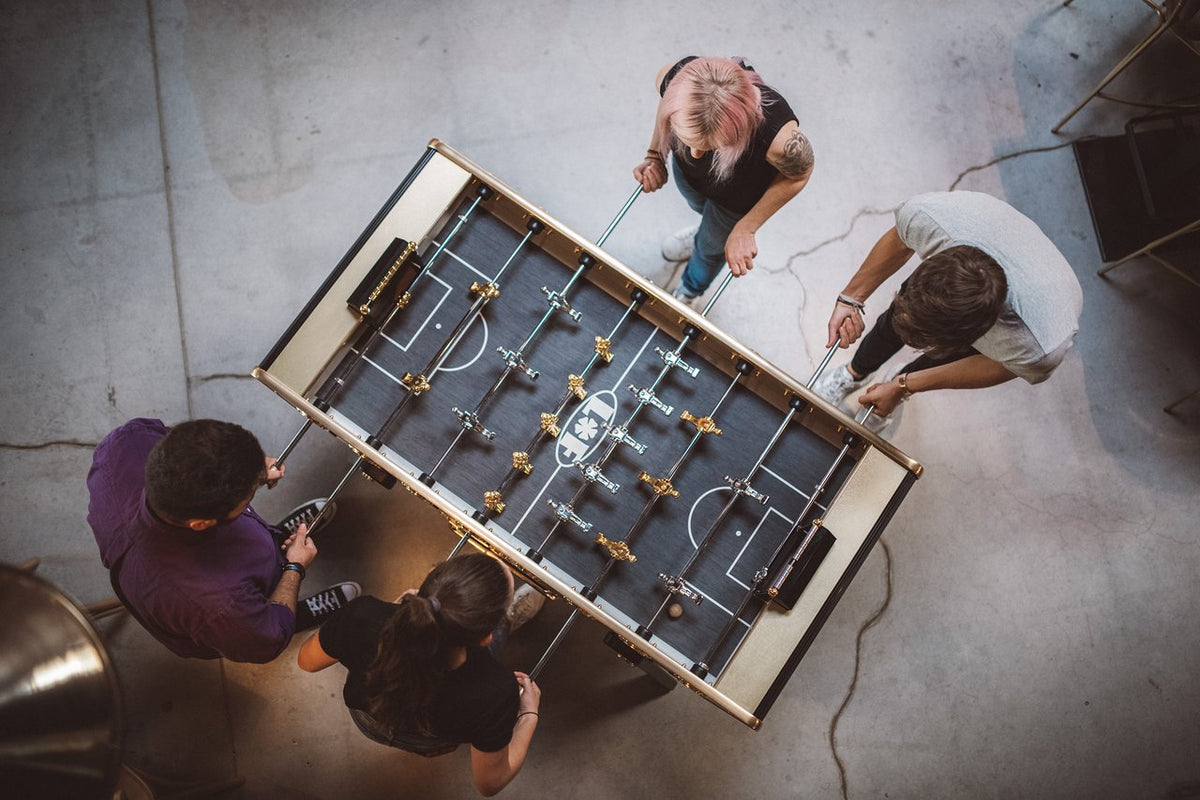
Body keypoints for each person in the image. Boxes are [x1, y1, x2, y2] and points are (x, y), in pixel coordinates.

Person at [87, 417, 359, 663]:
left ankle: (275, 542)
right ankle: (289, 611)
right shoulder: (220, 606)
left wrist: (251, 470)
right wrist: (295, 568)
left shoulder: (126, 442)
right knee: (276, 623)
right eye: (248, 495)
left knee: (262, 540)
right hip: (243, 625)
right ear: (201, 523)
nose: (256, 487)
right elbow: (267, 643)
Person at [812, 191, 1083, 431]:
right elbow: (899, 240)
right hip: (977, 242)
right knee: (892, 325)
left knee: (936, 361)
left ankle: (892, 384)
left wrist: (902, 386)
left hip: (1039, 302)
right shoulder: (928, 217)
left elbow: (999, 367)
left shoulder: (1038, 347)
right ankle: (854, 373)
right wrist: (851, 299)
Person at [298, 552, 546, 797]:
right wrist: (528, 716)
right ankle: (506, 622)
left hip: (369, 720)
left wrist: (393, 618)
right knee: (496, 645)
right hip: (429, 737)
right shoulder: (496, 691)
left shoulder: (362, 615)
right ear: (484, 638)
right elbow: (489, 783)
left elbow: (307, 661)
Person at [633, 55, 814, 306]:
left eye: (709, 146)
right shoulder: (675, 78)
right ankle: (703, 234)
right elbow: (667, 102)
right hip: (690, 177)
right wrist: (655, 155)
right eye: (688, 140)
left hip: (736, 198)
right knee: (701, 212)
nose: (695, 154)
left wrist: (746, 228)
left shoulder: (778, 138)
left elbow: (800, 174)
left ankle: (690, 290)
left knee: (710, 251)